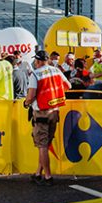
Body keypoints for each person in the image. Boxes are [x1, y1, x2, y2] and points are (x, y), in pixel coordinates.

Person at [23, 50, 68, 186]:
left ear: (37, 61)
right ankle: (38, 173)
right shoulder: (56, 71)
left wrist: (25, 103)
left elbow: (30, 97)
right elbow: (68, 86)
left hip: (41, 112)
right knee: (46, 144)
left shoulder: (35, 75)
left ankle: (47, 176)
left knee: (42, 145)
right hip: (54, 111)